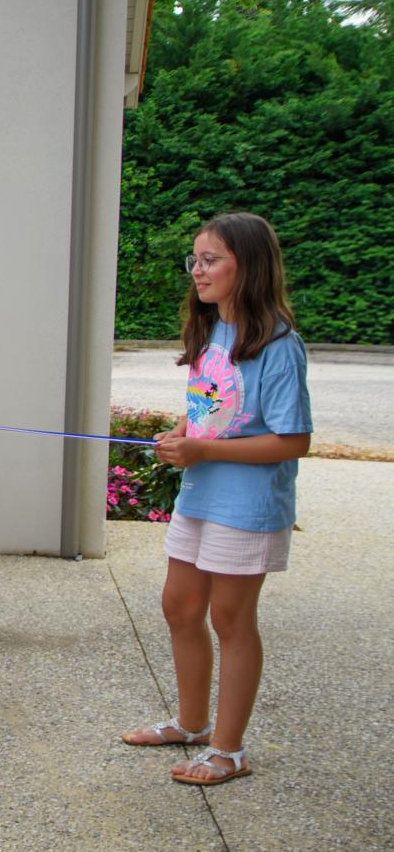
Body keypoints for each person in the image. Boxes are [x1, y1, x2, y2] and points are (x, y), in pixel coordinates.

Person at [121, 212, 311, 785]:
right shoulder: (212, 332)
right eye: (195, 260)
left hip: (247, 506)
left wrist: (205, 452)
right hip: (202, 495)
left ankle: (228, 750)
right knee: (179, 606)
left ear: (247, 267)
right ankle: (191, 723)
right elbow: (213, 412)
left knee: (231, 619)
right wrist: (185, 434)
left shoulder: (279, 344)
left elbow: (294, 440)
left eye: (210, 260)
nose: (197, 271)